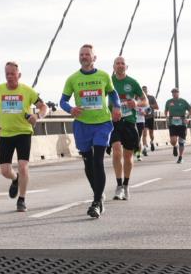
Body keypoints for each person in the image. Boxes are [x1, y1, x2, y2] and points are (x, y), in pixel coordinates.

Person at [60, 44, 120, 219]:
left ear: (94, 58)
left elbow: (113, 93)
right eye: (81, 54)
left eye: (87, 54)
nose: (84, 57)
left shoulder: (103, 76)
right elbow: (62, 101)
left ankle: (96, 203)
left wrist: (116, 107)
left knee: (98, 160)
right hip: (82, 124)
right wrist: (70, 109)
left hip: (102, 122)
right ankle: (99, 194)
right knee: (88, 162)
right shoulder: (73, 79)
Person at [0, 61, 48, 212]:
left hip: (23, 132)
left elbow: (44, 107)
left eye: (12, 74)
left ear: (19, 75)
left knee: (23, 166)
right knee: (5, 171)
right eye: (7, 74)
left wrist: (37, 116)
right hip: (5, 133)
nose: (9, 77)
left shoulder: (28, 91)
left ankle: (21, 199)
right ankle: (15, 179)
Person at [110, 57, 142, 200]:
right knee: (116, 152)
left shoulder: (132, 82)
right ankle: (118, 186)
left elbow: (144, 100)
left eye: (123, 63)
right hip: (114, 122)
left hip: (129, 121)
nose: (120, 65)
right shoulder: (108, 81)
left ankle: (126, 185)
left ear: (126, 67)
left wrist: (136, 102)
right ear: (114, 66)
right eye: (118, 63)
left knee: (128, 156)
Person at [163, 88, 191, 164]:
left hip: (182, 122)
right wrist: (166, 117)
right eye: (173, 92)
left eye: (176, 92)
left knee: (181, 141)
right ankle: (175, 146)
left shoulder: (183, 101)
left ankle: (180, 157)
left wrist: (188, 118)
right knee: (173, 140)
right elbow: (165, 111)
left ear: (178, 93)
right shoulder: (169, 102)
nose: (174, 93)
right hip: (172, 122)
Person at [142, 85, 158, 153]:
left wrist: (148, 105)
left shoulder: (151, 98)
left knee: (151, 134)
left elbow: (157, 107)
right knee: (144, 133)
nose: (144, 92)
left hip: (150, 117)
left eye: (145, 90)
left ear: (147, 91)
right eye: (143, 90)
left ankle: (151, 142)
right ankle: (145, 148)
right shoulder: (139, 97)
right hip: (143, 118)